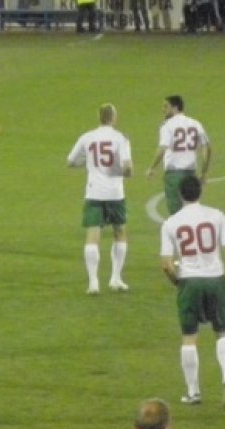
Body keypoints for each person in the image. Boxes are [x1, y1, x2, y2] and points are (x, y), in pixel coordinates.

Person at [160, 175, 225, 407]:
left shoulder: (171, 223)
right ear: (200, 192)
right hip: (215, 278)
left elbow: (166, 264)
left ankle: (193, 392)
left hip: (189, 280)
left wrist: (178, 282)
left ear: (180, 195)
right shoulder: (217, 216)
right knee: (222, 331)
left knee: (189, 337)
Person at [67, 103, 133, 295]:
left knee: (92, 237)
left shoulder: (87, 137)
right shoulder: (121, 138)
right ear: (113, 117)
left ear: (99, 117)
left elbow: (70, 162)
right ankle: (115, 278)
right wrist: (117, 171)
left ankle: (93, 283)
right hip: (115, 194)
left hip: (94, 193)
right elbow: (128, 168)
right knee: (120, 233)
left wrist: (88, 163)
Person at [146, 95, 210, 216]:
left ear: (175, 108)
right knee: (192, 211)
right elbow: (207, 147)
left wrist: (152, 167)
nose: (163, 109)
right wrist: (204, 172)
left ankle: (180, 235)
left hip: (174, 176)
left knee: (176, 214)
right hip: (191, 174)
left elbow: (162, 148)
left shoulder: (167, 125)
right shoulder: (195, 124)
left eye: (166, 106)